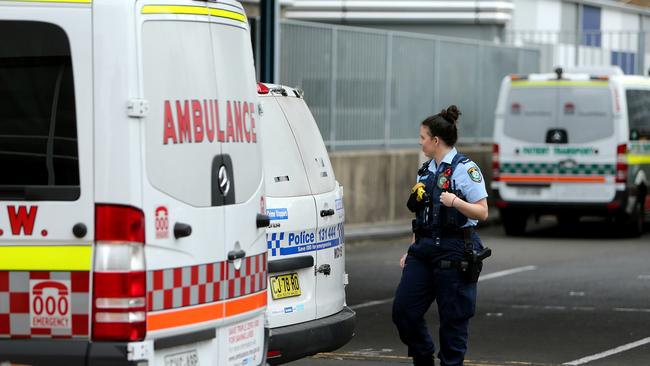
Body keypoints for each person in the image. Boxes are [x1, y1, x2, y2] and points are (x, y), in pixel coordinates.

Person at [392, 105, 490, 366]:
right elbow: (422, 216)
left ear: (436, 140)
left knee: (453, 322)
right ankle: (423, 355)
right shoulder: (425, 171)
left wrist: (456, 202)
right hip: (423, 250)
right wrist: (411, 248)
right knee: (404, 311)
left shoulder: (465, 169)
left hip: (455, 249)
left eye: (423, 137)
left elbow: (482, 212)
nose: (420, 142)